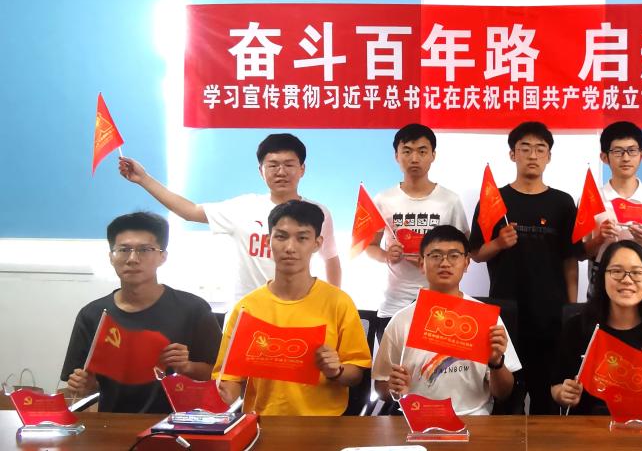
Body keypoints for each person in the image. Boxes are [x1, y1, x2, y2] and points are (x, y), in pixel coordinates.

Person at [119, 133, 340, 300]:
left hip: (298, 307)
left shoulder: (318, 213)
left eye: (289, 165)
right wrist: (144, 179)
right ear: (261, 171)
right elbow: (190, 211)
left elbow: (330, 258)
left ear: (302, 169)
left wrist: (333, 302)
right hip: (247, 310)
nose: (281, 172)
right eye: (273, 165)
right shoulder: (243, 207)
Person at [212, 200, 371, 415]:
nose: (290, 248)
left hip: (324, 425)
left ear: (317, 243)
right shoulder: (247, 308)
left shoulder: (338, 303)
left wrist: (336, 370)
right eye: (281, 236)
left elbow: (356, 374)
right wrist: (221, 394)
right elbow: (229, 381)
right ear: (268, 241)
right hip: (261, 423)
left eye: (302, 238)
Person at [469, 121, 580, 414]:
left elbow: (570, 259)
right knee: (505, 402)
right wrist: (499, 243)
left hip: (550, 315)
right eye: (525, 148)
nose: (532, 155)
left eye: (540, 149)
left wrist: (570, 310)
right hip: (505, 315)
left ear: (549, 156)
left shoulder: (563, 203)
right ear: (512, 154)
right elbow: (476, 254)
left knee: (547, 401)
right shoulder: (494, 199)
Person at [60, 212, 221, 413]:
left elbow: (221, 376)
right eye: (123, 250)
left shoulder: (193, 309)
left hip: (178, 424)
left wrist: (187, 367)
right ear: (111, 257)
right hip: (114, 426)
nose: (133, 259)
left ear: (162, 256)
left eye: (145, 250)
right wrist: (86, 386)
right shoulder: (93, 315)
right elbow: (80, 386)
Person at [373, 225, 521, 415]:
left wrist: (496, 363)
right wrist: (393, 387)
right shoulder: (401, 321)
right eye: (435, 255)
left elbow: (504, 394)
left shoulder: (487, 319)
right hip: (418, 419)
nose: (444, 263)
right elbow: (381, 387)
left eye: (454, 255)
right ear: (421, 263)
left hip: (474, 419)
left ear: (466, 263)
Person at [551, 240, 642, 416]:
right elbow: (556, 385)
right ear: (602, 277)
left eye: (636, 273)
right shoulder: (577, 328)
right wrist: (564, 393)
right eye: (617, 271)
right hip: (592, 428)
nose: (627, 280)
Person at [364, 124, 469, 332]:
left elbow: (465, 249)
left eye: (422, 151)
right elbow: (369, 246)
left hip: (439, 303)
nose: (414, 158)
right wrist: (386, 255)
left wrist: (438, 258)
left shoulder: (450, 200)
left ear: (433, 155)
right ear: (396, 156)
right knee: (392, 355)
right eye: (407, 151)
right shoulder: (383, 199)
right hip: (394, 304)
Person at [584, 121, 642, 295]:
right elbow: (580, 254)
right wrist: (600, 238)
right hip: (601, 286)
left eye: (632, 151)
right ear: (604, 157)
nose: (626, 158)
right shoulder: (591, 199)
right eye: (618, 151)